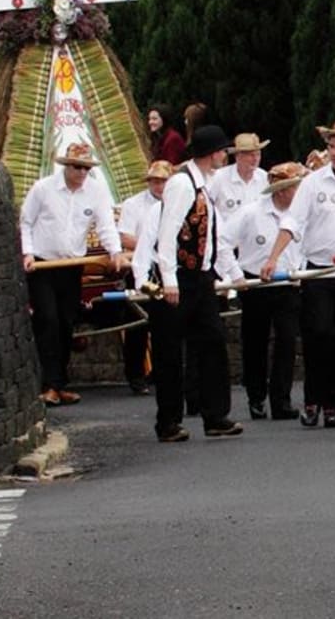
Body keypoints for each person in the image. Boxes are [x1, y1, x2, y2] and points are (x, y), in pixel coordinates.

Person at [133, 124, 244, 443]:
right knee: (169, 350)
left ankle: (215, 415)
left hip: (200, 277)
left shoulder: (204, 185)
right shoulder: (182, 184)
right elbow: (167, 233)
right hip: (179, 276)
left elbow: (212, 237)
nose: (225, 155)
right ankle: (167, 421)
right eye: (223, 150)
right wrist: (168, 280)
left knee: (212, 342)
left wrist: (233, 275)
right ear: (212, 153)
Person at [263, 122, 335, 428]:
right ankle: (313, 399)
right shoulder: (313, 183)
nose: (334, 152)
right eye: (331, 146)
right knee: (319, 334)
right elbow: (293, 222)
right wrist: (273, 257)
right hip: (320, 270)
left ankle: (333, 401)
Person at [19, 141, 111, 406]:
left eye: (86, 168)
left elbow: (104, 225)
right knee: (47, 319)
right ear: (65, 167)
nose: (82, 173)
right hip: (43, 264)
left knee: (67, 322)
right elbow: (26, 222)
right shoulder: (43, 188)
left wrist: (114, 252)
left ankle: (59, 383)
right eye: (77, 167)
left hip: (71, 265)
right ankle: (49, 384)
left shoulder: (95, 191)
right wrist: (27, 253)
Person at [224, 159, 308, 422]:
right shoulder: (250, 213)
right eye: (297, 187)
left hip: (289, 284)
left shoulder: (303, 214)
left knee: (286, 342)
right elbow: (223, 242)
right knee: (255, 342)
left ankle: (281, 400)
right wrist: (236, 275)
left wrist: (303, 270)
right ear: (282, 190)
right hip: (255, 284)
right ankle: (256, 397)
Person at [113, 161, 175, 397]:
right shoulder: (133, 204)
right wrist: (152, 245)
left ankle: (161, 372)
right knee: (138, 322)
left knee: (167, 322)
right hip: (143, 266)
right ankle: (135, 374)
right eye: (155, 181)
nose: (159, 186)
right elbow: (125, 237)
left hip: (168, 266)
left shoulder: (177, 203)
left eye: (163, 181)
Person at [209, 132, 273, 227]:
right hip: (226, 238)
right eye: (251, 155)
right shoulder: (219, 177)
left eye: (258, 154)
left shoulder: (264, 177)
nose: (255, 159)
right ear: (238, 156)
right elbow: (208, 207)